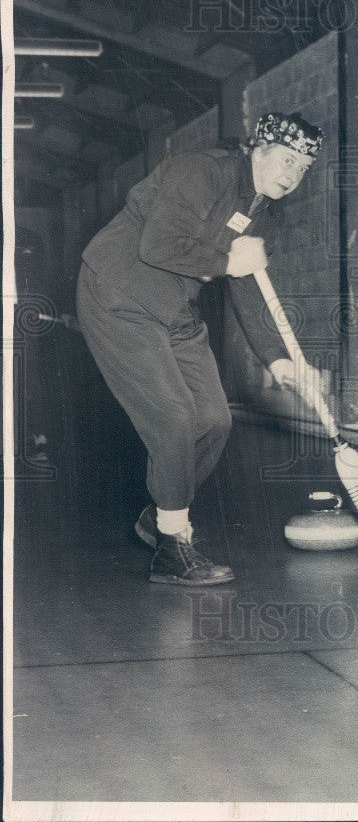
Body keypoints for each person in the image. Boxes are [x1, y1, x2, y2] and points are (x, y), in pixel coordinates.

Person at [77, 112, 324, 586]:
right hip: (119, 293)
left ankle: (158, 516)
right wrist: (229, 260)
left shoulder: (257, 203)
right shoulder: (201, 171)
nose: (292, 174)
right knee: (173, 417)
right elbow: (159, 245)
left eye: (303, 168)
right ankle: (173, 547)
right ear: (259, 148)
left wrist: (278, 359)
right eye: (287, 159)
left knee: (214, 418)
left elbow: (248, 283)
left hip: (176, 306)